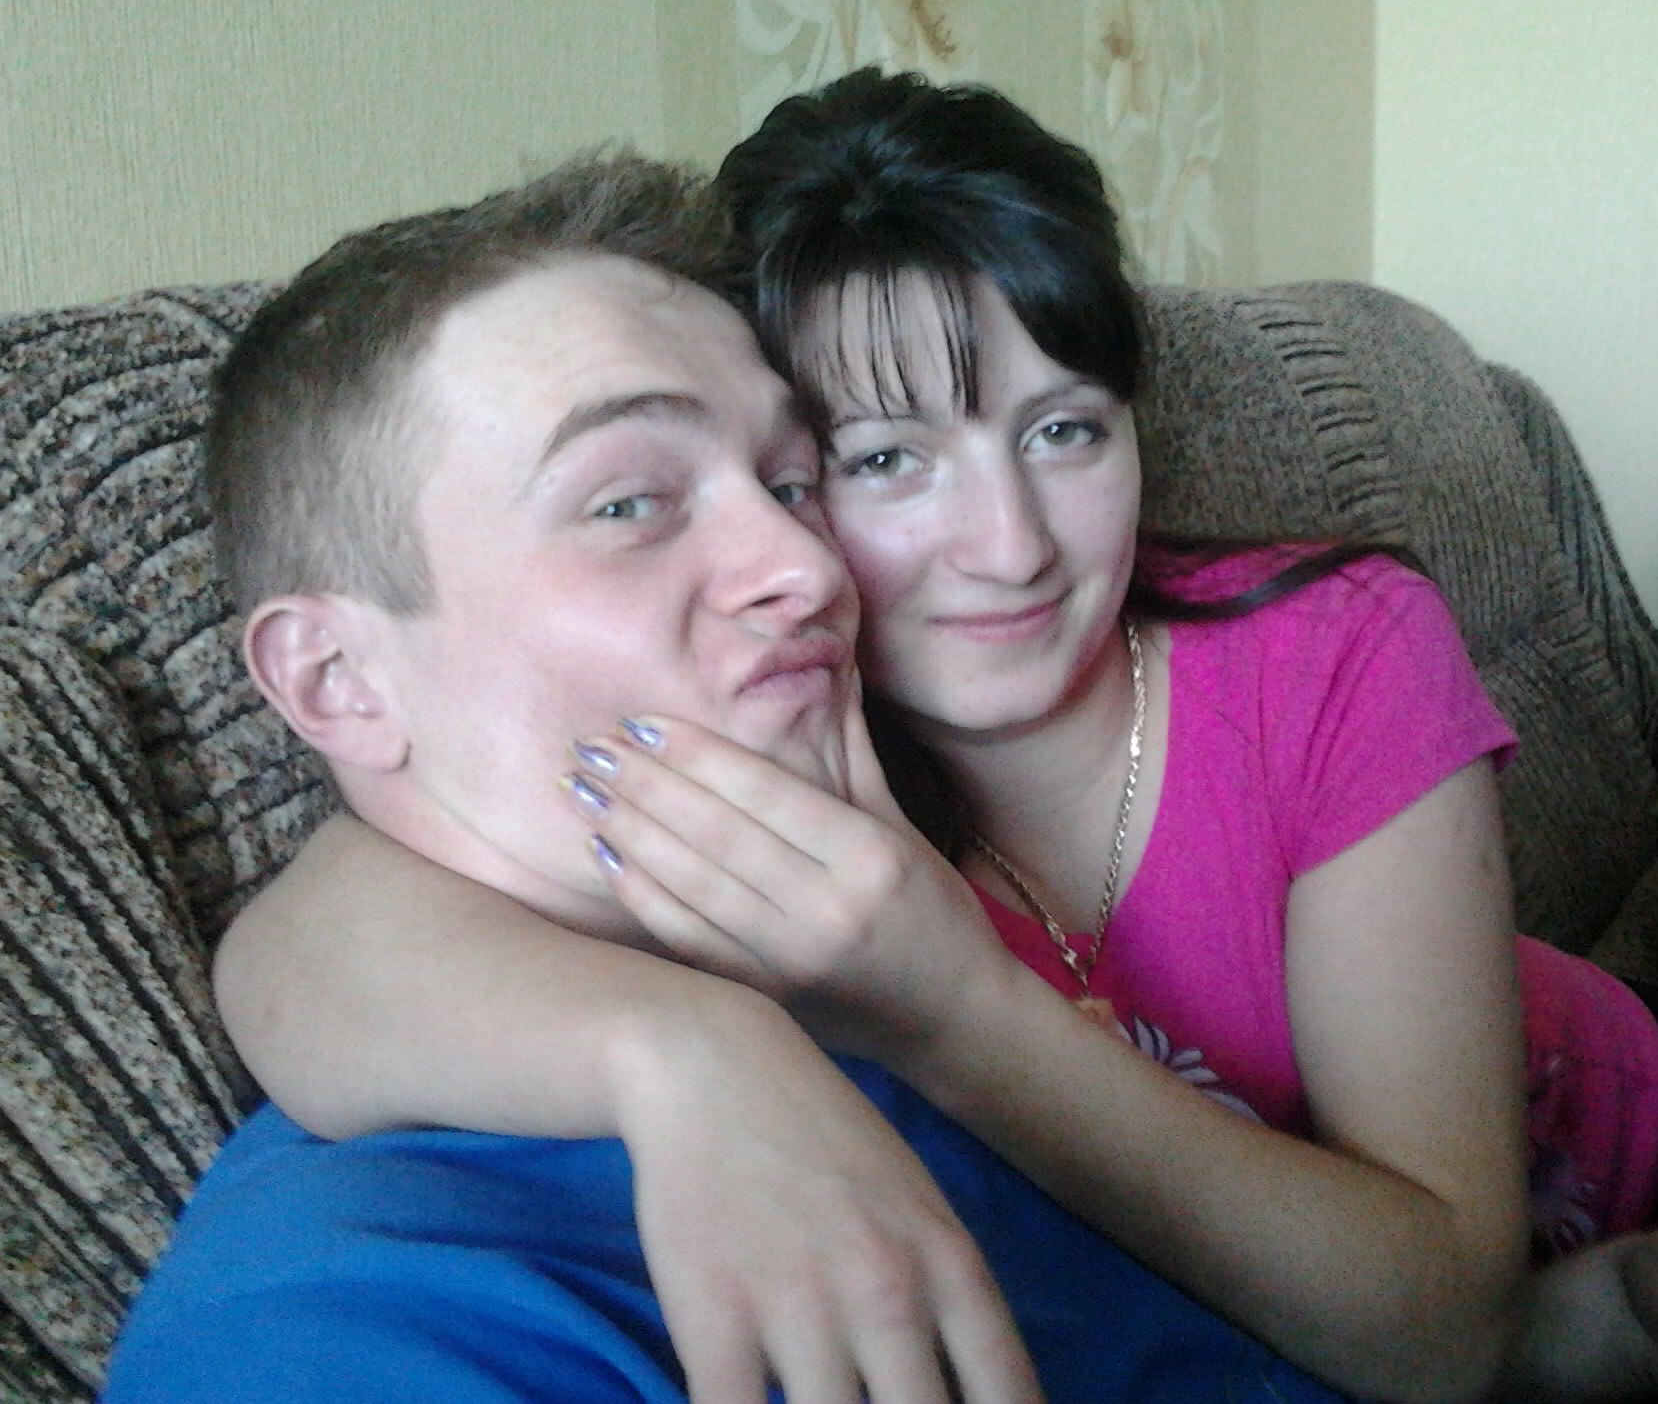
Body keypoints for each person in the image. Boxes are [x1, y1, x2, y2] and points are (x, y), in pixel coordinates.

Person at [206, 72, 1658, 1403]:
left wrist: (938, 1008)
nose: (1006, 546)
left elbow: (1431, 1323)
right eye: (879, 461)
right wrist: (684, 1055)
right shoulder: (790, 768)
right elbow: (329, 914)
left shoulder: (1308, 650)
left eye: (1065, 430)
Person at [101, 151, 1349, 1404]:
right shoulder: (349, 1321)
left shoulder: (873, 949)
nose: (808, 568)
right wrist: (676, 1053)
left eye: (793, 483)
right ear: (337, 682)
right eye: (627, 503)